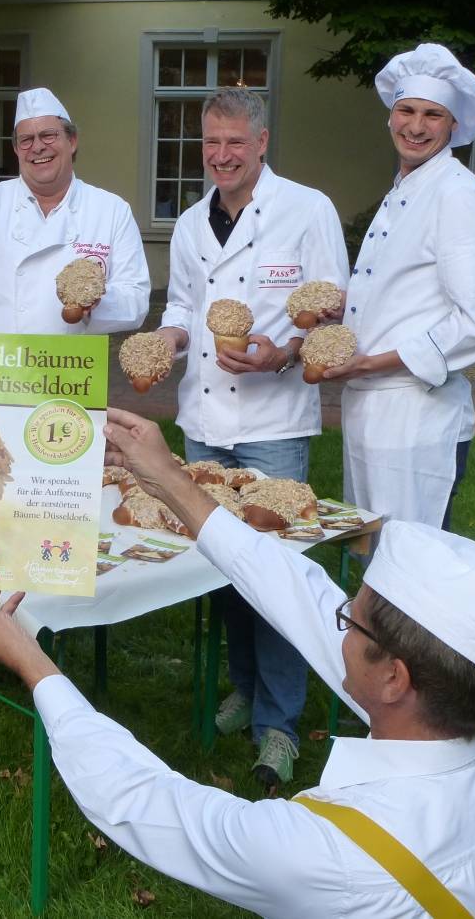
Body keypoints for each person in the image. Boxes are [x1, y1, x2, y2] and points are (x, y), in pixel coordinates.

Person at [0, 407, 475, 918]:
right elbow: (300, 594)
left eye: (352, 616)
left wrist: (31, 661)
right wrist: (169, 478)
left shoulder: (328, 852)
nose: (335, 618)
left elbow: (144, 801)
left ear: (396, 678)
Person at [0, 86, 151, 714]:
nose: (38, 148)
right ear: (15, 149)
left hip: (66, 394)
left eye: (50, 136)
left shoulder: (108, 212)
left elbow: (135, 299)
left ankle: (45, 656)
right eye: (26, 140)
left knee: (53, 526)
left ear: (72, 141)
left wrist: (88, 300)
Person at [156, 87, 349, 787]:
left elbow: (330, 305)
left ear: (263, 143)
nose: (222, 155)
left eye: (235, 142)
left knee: (277, 578)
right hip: (204, 420)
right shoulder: (188, 223)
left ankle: (279, 724)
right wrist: (169, 338)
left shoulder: (307, 208)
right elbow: (183, 303)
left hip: (273, 426)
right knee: (225, 571)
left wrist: (284, 352)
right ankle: (244, 685)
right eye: (211, 142)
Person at [323, 44, 475, 530]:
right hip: (370, 412)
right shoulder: (405, 189)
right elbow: (405, 292)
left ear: (454, 126)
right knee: (374, 560)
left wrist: (370, 362)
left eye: (432, 114)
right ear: (390, 116)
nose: (416, 125)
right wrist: (343, 309)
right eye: (406, 110)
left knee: (410, 571)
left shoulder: (458, 195)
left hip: (416, 419)